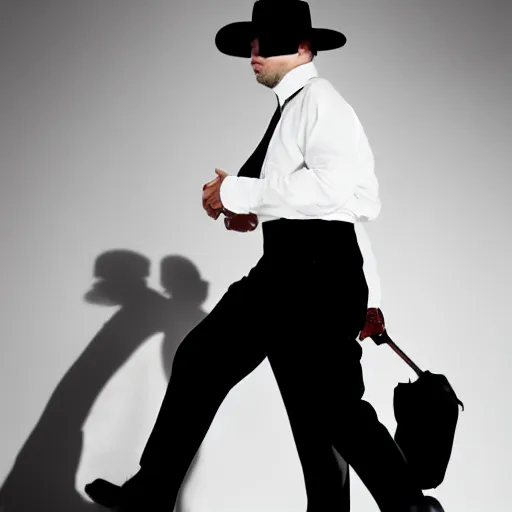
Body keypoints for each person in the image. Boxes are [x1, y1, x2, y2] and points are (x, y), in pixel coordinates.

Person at [85, 2, 445, 511]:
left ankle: (409, 505)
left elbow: (337, 194)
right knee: (209, 365)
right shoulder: (292, 108)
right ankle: (151, 492)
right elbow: (330, 204)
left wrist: (240, 193)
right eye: (252, 43)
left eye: (266, 42)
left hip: (315, 276)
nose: (253, 53)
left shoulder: (323, 103)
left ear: (303, 47)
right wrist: (248, 206)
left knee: (331, 411)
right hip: (289, 274)